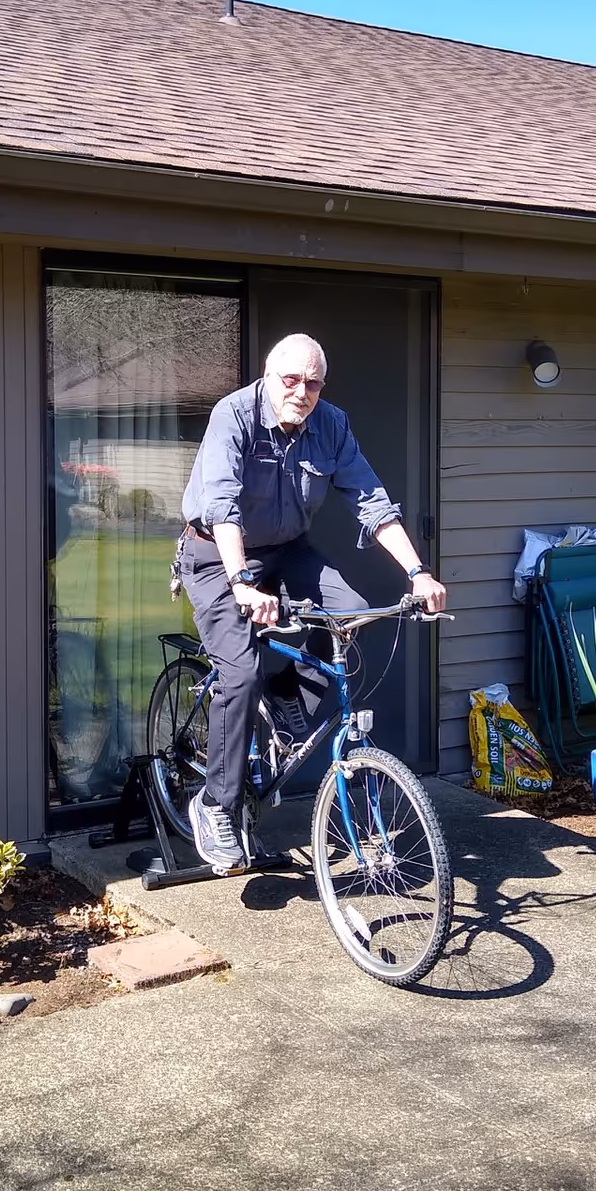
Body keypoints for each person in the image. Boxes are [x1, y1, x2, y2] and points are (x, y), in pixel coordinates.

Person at [177, 333, 448, 873]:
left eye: (313, 381)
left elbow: (371, 501)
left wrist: (418, 573)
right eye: (291, 380)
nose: (302, 391)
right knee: (239, 674)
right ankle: (215, 804)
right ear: (269, 375)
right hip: (215, 555)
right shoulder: (233, 416)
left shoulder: (332, 424)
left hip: (288, 550)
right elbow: (224, 509)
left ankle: (286, 699)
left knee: (353, 613)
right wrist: (242, 584)